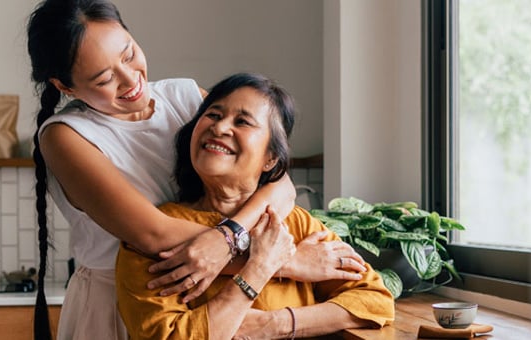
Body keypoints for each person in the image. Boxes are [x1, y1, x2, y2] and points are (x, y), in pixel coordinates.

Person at [26, 1, 367, 339]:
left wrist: (228, 238)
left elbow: (280, 186)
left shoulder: (185, 97)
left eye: (129, 54)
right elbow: (153, 235)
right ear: (65, 86)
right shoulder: (65, 136)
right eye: (104, 78)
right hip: (120, 304)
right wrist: (281, 262)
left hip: (210, 291)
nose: (130, 79)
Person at [116, 73, 396, 340]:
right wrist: (259, 267)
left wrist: (276, 323)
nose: (220, 127)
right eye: (213, 114)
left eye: (243, 122)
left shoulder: (295, 224)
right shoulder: (152, 236)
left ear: (271, 158)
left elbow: (375, 300)